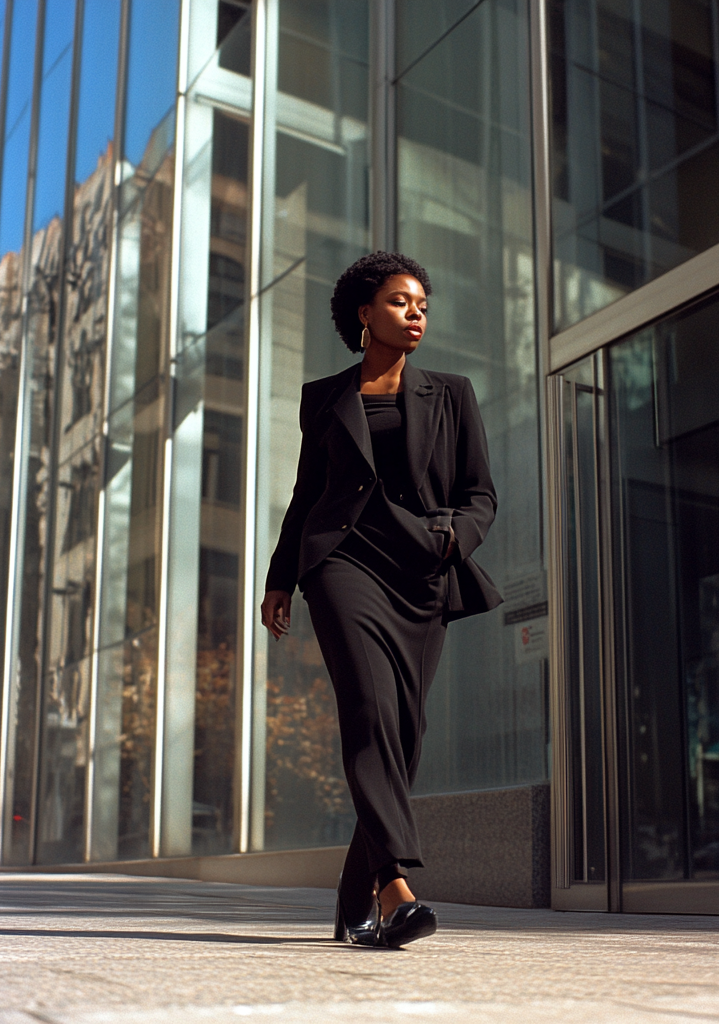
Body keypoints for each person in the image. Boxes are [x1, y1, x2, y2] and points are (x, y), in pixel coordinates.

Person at [260, 251, 502, 948]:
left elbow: (480, 494)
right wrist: (281, 576)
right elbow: (307, 497)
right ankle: (394, 887)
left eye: (423, 303)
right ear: (365, 314)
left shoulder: (451, 394)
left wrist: (453, 539)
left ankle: (350, 901)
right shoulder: (324, 399)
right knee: (367, 710)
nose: (417, 312)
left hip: (420, 573)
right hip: (343, 566)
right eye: (401, 301)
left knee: (403, 734)